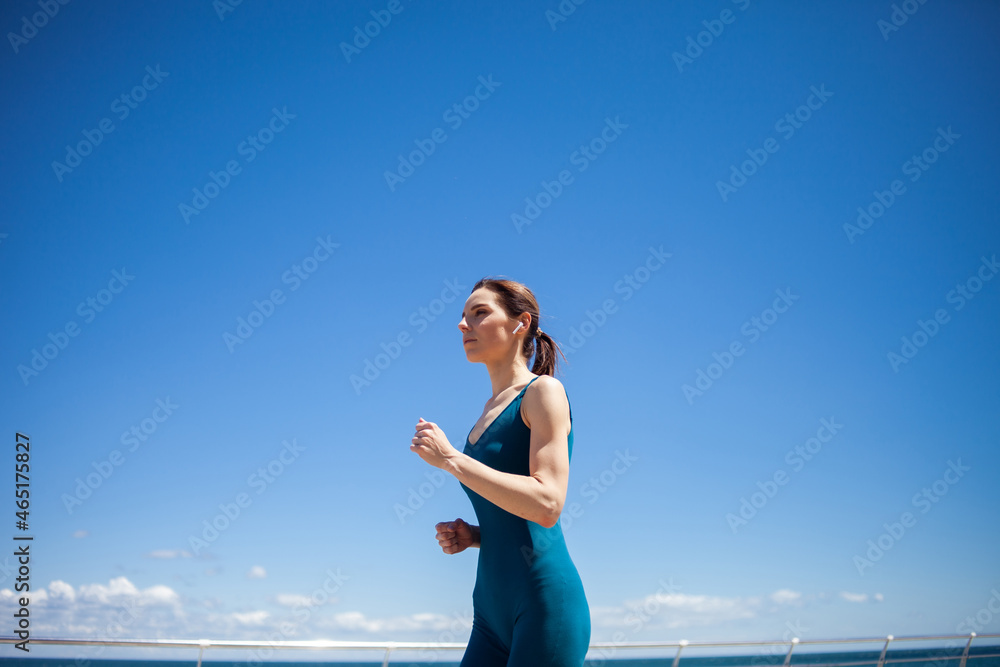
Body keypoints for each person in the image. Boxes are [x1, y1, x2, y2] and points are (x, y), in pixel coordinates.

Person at [410, 276, 590, 666]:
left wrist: (452, 460)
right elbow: (512, 515)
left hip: (544, 604)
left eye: (479, 313)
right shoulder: (486, 414)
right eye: (462, 316)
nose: (463, 324)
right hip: (489, 615)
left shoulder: (543, 392)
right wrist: (475, 535)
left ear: (520, 323)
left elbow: (547, 503)